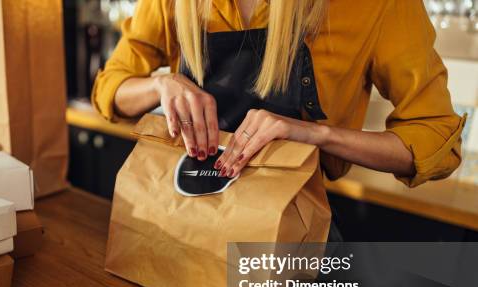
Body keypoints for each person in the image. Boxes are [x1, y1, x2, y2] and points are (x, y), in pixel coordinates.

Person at [92, 0, 463, 211]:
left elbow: (436, 139)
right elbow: (110, 90)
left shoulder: (377, 6)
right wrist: (162, 84)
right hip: (183, 211)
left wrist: (315, 134)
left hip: (286, 232)